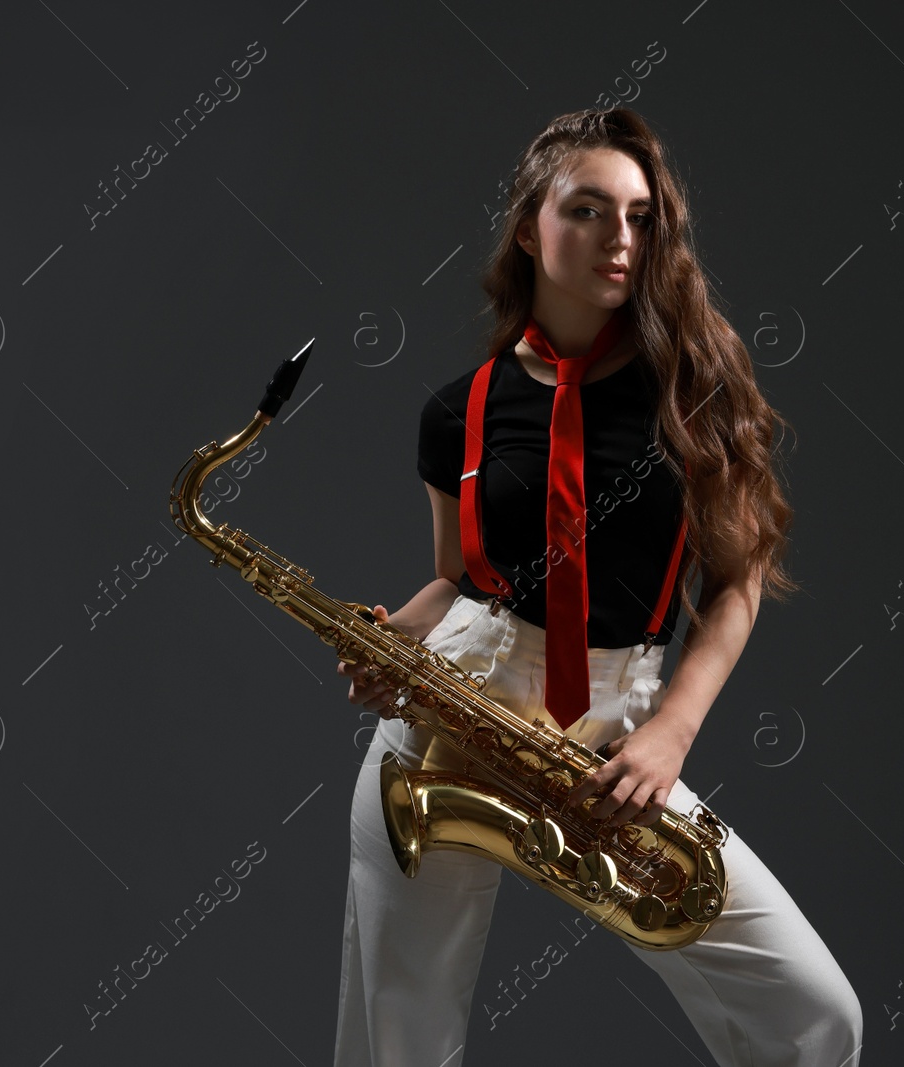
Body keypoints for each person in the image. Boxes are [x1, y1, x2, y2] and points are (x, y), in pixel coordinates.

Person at [333, 107, 862, 1067]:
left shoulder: (694, 385)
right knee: (398, 1046)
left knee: (814, 1013)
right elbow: (458, 581)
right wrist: (389, 641)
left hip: (620, 730)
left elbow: (738, 580)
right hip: (455, 714)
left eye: (642, 216)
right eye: (588, 209)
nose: (621, 238)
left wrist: (672, 731)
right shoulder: (460, 408)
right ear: (530, 226)